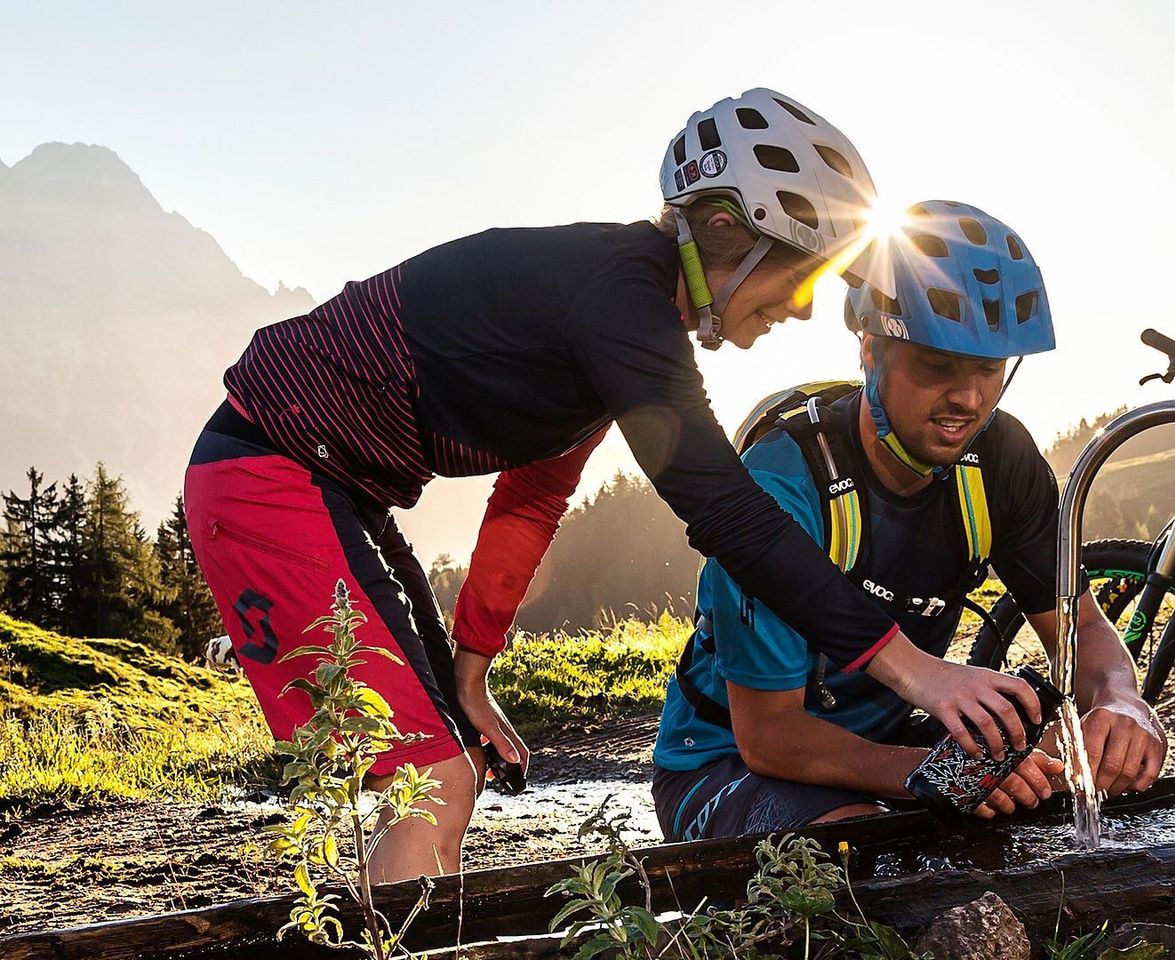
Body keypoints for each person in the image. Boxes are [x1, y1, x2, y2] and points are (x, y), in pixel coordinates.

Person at [184, 90, 1049, 881]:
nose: (802, 310)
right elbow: (722, 508)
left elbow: (532, 498)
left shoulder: (602, 322)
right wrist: (913, 672)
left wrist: (472, 673)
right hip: (273, 475)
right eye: (803, 276)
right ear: (722, 233)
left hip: (333, 488)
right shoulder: (619, 301)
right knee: (434, 779)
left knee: (442, 767)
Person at [652, 201, 1168, 841]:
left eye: (987, 368)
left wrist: (1121, 698)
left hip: (889, 738)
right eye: (936, 365)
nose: (968, 398)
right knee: (864, 856)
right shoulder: (785, 484)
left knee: (1039, 801)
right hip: (725, 762)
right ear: (871, 350)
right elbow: (769, 737)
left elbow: (1081, 627)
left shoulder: (1001, 463)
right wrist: (929, 774)